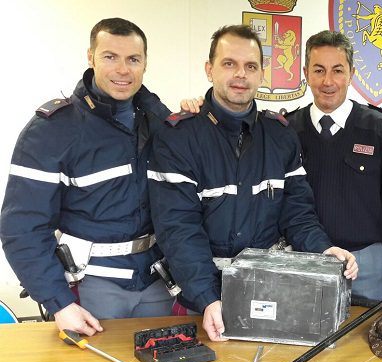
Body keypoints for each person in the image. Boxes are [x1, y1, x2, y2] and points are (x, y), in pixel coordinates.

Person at [147, 25, 358, 342]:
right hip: (199, 298)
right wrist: (207, 297)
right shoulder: (178, 137)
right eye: (229, 64)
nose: (240, 75)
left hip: (267, 289)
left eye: (250, 66)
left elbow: (297, 213)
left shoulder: (281, 135)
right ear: (210, 70)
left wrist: (324, 250)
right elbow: (178, 227)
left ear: (262, 74)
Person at [0, 18, 173, 336]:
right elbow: (20, 228)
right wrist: (59, 303)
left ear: (145, 64)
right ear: (91, 57)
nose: (123, 70)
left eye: (133, 59)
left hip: (156, 284)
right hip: (91, 288)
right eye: (110, 57)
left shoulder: (160, 122)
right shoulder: (51, 130)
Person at [285, 30, 382, 302]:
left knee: (364, 340)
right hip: (303, 259)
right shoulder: (288, 130)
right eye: (319, 70)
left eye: (338, 70)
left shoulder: (378, 126)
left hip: (365, 264)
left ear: (352, 73)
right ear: (306, 73)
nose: (328, 81)